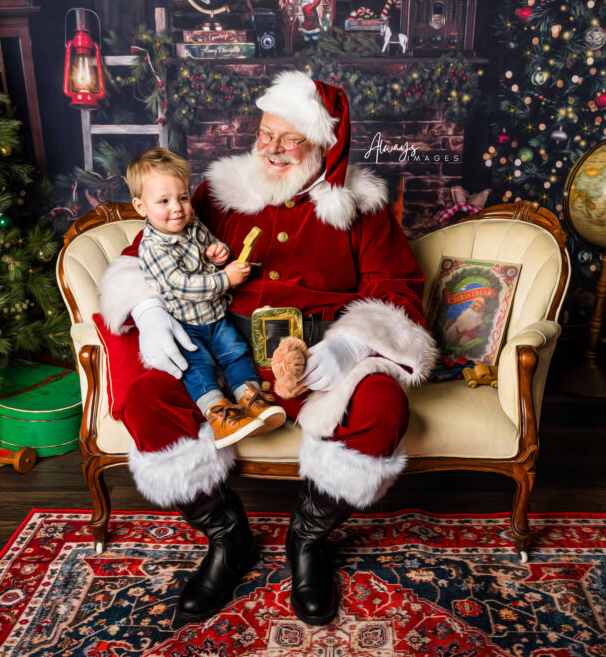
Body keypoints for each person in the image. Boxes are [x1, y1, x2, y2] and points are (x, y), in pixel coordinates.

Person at [98, 70, 436, 626]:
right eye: (265, 133)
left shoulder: (361, 206)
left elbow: (397, 292)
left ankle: (306, 538)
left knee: (384, 409)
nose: (272, 149)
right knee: (145, 402)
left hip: (321, 357)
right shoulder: (219, 193)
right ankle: (228, 538)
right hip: (222, 350)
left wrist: (349, 348)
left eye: (289, 138)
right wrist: (149, 311)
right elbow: (139, 256)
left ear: (323, 145)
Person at [127, 148, 286, 449]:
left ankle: (251, 398)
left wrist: (218, 254)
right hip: (185, 325)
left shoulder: (192, 225)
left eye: (183, 197)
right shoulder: (153, 247)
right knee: (197, 367)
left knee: (235, 353)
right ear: (141, 206)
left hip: (216, 315)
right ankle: (219, 414)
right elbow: (181, 285)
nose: (177, 208)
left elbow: (210, 244)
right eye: (164, 201)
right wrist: (225, 278)